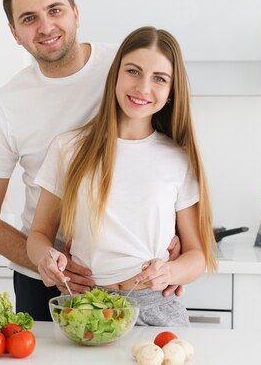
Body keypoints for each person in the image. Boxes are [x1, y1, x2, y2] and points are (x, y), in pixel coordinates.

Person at [0, 0, 181, 321]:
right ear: (15, 33)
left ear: (76, 13)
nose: (46, 26)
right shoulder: (8, 104)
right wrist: (46, 262)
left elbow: (170, 154)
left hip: (134, 278)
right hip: (44, 281)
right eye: (29, 18)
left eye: (55, 10)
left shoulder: (127, 68)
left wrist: (178, 244)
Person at [27, 26, 217, 326]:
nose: (143, 88)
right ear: (115, 74)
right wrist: (46, 259)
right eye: (133, 71)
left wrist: (171, 272)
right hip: (87, 306)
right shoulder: (69, 148)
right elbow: (38, 235)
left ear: (170, 93)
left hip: (157, 309)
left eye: (159, 79)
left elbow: (196, 256)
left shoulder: (179, 158)